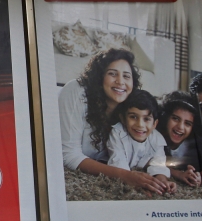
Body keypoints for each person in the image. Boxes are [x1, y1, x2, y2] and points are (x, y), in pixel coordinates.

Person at [59, 47, 169, 194]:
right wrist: (125, 176)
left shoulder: (129, 112)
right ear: (100, 77)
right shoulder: (76, 91)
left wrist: (166, 176)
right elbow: (68, 155)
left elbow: (150, 152)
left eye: (126, 76)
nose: (120, 81)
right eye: (112, 74)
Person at [106, 89, 175, 194]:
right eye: (133, 117)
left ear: (154, 124)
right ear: (123, 119)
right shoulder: (117, 133)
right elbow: (118, 164)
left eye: (146, 119)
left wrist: (162, 182)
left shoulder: (157, 139)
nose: (140, 125)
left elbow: (158, 165)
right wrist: (138, 186)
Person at [157, 91, 202, 188]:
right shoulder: (155, 136)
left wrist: (196, 176)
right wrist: (178, 173)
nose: (180, 127)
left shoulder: (193, 145)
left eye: (187, 123)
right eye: (175, 119)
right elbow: (150, 162)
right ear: (166, 117)